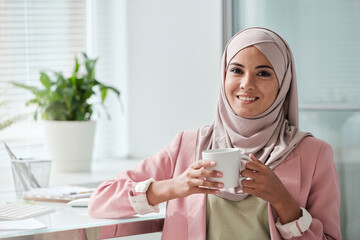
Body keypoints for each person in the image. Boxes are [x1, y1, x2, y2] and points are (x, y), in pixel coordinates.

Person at [88, 27, 341, 240]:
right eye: (236, 70)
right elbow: (101, 200)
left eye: (263, 73)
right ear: (223, 76)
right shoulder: (187, 145)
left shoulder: (314, 153)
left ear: (284, 83)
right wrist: (175, 186)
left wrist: (283, 201)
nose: (246, 83)